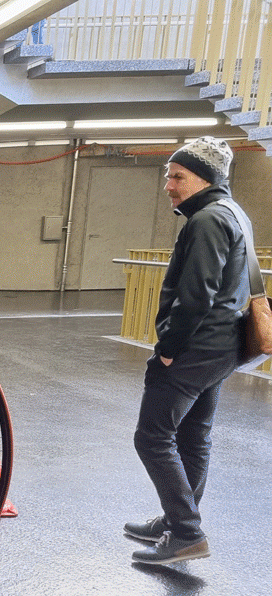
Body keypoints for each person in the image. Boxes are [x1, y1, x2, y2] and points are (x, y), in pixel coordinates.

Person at [125, 137, 249, 565]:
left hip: (197, 347)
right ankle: (177, 520)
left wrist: (168, 349)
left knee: (153, 437)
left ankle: (187, 532)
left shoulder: (208, 220)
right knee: (194, 436)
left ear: (204, 178)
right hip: (223, 347)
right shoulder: (233, 212)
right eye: (167, 175)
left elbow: (196, 294)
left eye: (177, 176)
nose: (168, 185)